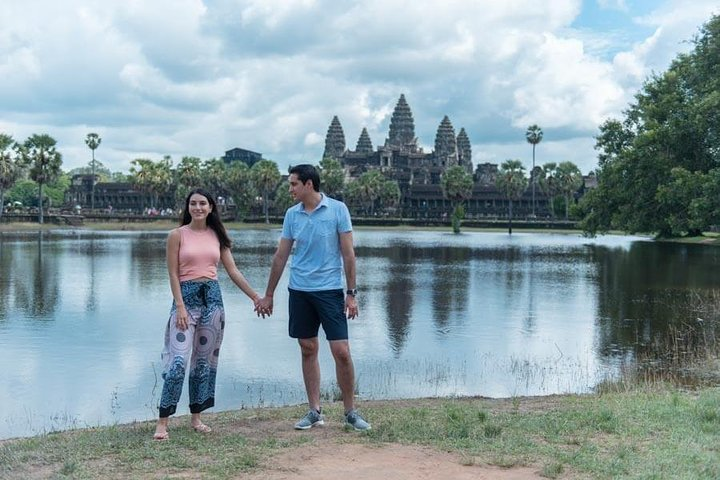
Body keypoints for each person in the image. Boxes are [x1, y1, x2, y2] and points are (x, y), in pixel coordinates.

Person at [256, 164, 371, 431]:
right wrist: (269, 294)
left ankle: (350, 411)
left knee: (341, 351)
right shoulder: (292, 215)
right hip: (299, 291)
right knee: (308, 348)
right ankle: (314, 411)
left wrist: (351, 294)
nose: (290, 189)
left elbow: (349, 255)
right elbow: (281, 256)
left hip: (330, 291)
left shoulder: (338, 210)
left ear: (309, 184)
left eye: (293, 184)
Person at [153, 188, 261, 441]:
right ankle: (162, 422)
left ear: (211, 207)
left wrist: (255, 297)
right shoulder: (177, 235)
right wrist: (179, 305)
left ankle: (196, 417)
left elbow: (233, 271)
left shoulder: (217, 236)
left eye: (203, 203)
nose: (198, 207)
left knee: (203, 362)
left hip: (213, 301)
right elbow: (172, 274)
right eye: (193, 203)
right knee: (178, 363)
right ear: (188, 207)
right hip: (185, 302)